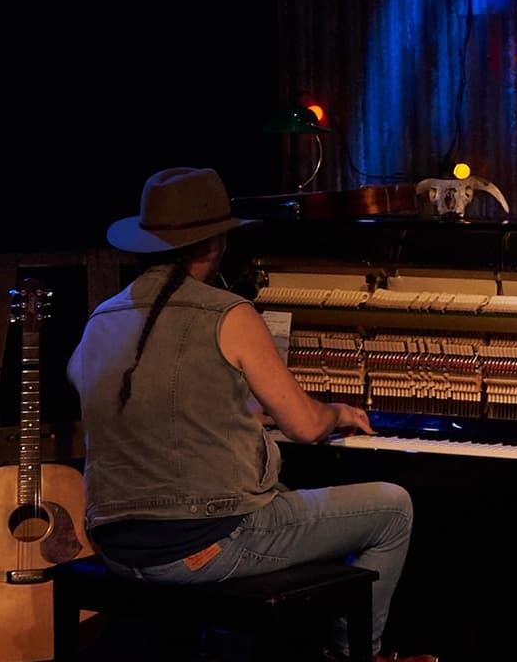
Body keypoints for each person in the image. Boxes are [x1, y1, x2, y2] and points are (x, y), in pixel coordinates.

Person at [68, 167, 433, 662]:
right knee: (393, 507)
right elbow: (305, 426)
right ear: (216, 244)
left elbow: (132, 405)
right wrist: (338, 411)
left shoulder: (100, 318)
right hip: (203, 547)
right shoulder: (229, 312)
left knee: (277, 496)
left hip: (117, 547)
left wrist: (226, 413)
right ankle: (357, 656)